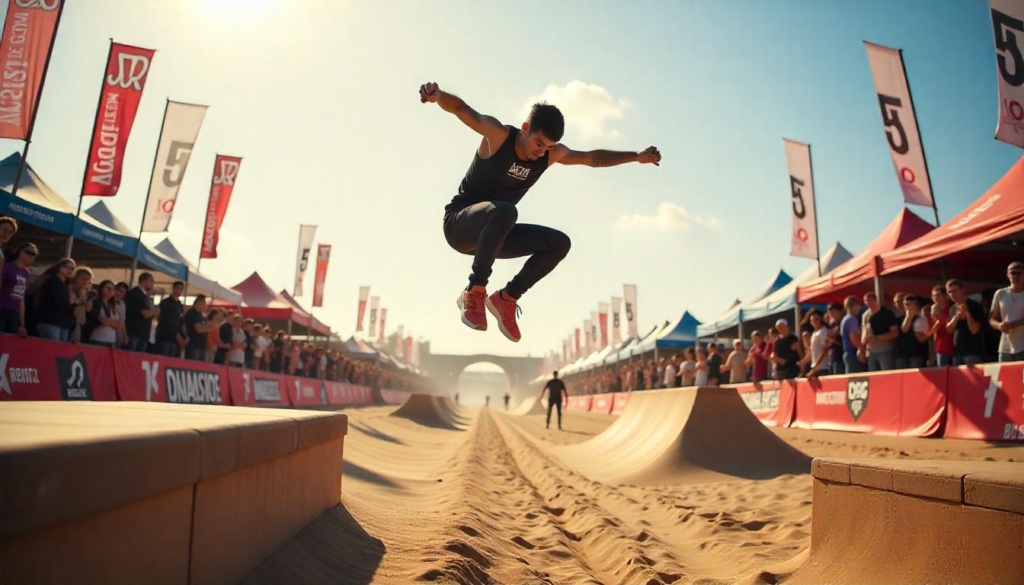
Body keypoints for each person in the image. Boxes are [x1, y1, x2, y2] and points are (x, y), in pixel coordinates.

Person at [421, 82, 662, 343]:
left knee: (559, 244)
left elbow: (593, 158)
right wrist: (438, 96)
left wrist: (636, 156)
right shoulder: (498, 135)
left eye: (548, 147)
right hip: (459, 226)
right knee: (505, 211)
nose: (541, 152)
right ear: (525, 129)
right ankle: (475, 291)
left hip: (494, 237)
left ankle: (506, 298)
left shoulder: (550, 155)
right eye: (538, 143)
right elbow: (462, 109)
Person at [31, 258, 75, 341]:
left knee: (58, 352)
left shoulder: (65, 285)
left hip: (62, 324)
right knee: (51, 350)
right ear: (59, 267)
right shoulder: (52, 281)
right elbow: (59, 302)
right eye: (67, 267)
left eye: (72, 268)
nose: (70, 270)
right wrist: (73, 301)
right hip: (50, 322)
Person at [946, 279, 986, 366]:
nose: (952, 294)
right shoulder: (952, 308)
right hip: (957, 353)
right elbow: (949, 330)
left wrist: (967, 312)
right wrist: (957, 316)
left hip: (973, 352)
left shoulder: (975, 306)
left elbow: (975, 330)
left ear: (962, 290)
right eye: (950, 292)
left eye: (955, 290)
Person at [990, 261, 1024, 363]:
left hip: (1022, 346)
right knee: (1006, 378)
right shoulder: (1000, 293)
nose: (1016, 276)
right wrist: (999, 325)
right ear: (1008, 275)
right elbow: (991, 319)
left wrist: (1015, 324)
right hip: (1005, 347)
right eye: (1013, 273)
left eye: (1019, 273)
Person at [0, 243, 36, 336]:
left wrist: (22, 324)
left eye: (34, 254)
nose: (31, 256)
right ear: (20, 252)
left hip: (14, 312)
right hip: (2, 308)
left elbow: (22, 299)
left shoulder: (26, 273)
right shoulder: (7, 267)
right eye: (29, 252)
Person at [861, 292, 899, 372]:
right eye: (866, 301)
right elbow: (864, 331)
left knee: (887, 376)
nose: (868, 303)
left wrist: (877, 337)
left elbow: (895, 333)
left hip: (885, 351)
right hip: (870, 352)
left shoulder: (887, 313)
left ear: (876, 300)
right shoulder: (865, 315)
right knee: (873, 377)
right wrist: (862, 347)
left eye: (871, 300)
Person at [124, 273, 160, 352]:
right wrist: (153, 311)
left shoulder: (146, 297)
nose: (153, 283)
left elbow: (155, 314)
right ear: (144, 281)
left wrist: (153, 312)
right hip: (134, 333)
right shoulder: (135, 294)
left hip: (143, 335)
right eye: (151, 281)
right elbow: (145, 314)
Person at [89, 280, 124, 348]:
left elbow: (119, 325)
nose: (110, 290)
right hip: (98, 340)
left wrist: (109, 322)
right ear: (101, 288)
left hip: (111, 341)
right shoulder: (96, 302)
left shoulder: (112, 305)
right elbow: (102, 321)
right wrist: (112, 322)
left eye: (112, 289)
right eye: (108, 288)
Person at [156, 281, 186, 358]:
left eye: (181, 289)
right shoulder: (165, 302)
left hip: (175, 341)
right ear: (173, 289)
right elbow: (163, 319)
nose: (179, 291)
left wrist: (183, 336)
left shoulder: (179, 304)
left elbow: (181, 321)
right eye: (177, 288)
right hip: (165, 337)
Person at [184, 296, 216, 361]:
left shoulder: (200, 315)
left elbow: (204, 325)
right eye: (204, 303)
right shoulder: (192, 313)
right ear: (199, 303)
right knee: (193, 366)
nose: (205, 306)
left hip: (201, 346)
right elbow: (199, 329)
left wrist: (208, 326)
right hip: (193, 346)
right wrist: (210, 328)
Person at [68, 267, 93, 344]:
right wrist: (81, 300)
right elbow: (72, 302)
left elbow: (88, 309)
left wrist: (89, 298)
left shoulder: (83, 292)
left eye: (88, 280)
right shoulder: (70, 288)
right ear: (76, 277)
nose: (85, 282)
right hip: (70, 321)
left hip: (80, 323)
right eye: (83, 279)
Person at [803, 310, 831, 377]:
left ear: (821, 319)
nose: (814, 321)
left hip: (823, 367)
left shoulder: (823, 331)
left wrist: (816, 365)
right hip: (815, 367)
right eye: (812, 320)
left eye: (816, 319)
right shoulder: (814, 332)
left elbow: (824, 350)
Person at [825, 303, 845, 376]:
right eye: (829, 311)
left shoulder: (842, 323)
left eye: (833, 311)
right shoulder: (832, 325)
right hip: (831, 357)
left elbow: (845, 341)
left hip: (840, 357)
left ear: (839, 311)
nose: (830, 313)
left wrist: (834, 341)